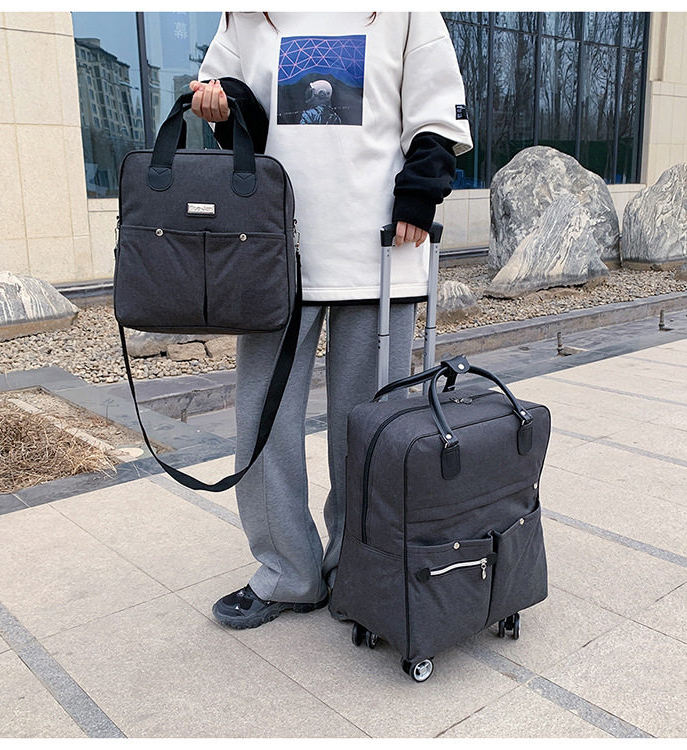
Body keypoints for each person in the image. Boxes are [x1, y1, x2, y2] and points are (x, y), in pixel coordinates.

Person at [190, 11, 472, 629]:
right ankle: (288, 573)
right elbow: (242, 110)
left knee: (369, 428)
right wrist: (222, 107)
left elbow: (436, 113)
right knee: (262, 425)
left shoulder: (406, 10)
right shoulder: (248, 12)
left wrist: (420, 195)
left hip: (379, 249)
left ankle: (359, 568)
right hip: (272, 248)